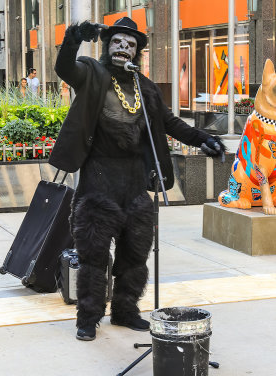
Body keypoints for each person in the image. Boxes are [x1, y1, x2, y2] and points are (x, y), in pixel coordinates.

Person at [49, 17, 225, 341]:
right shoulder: (92, 74)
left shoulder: (145, 88)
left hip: (134, 182)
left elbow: (170, 123)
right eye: (117, 41)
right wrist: (73, 38)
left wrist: (202, 138)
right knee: (93, 256)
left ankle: (125, 311)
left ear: (137, 53)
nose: (123, 48)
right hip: (98, 179)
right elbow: (65, 69)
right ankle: (87, 318)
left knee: (135, 254)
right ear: (107, 45)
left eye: (130, 45)